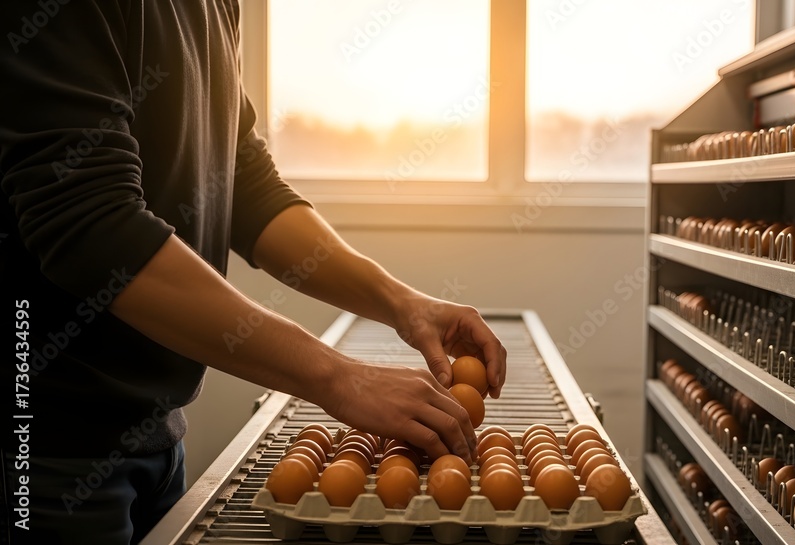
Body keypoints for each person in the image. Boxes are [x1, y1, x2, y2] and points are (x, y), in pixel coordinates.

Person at [0, 1, 507, 543]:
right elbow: (91, 226)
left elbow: (243, 183)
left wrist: (401, 303)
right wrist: (337, 377)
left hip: (156, 428)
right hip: (45, 439)